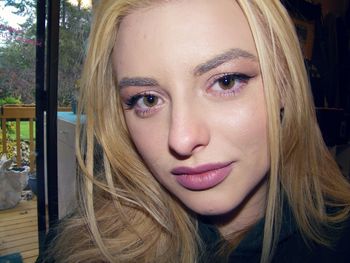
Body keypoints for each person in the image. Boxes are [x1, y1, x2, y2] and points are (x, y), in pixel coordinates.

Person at [41, 0, 350, 262]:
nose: (182, 138)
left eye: (226, 81)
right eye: (147, 99)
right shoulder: (80, 247)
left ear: (284, 83)